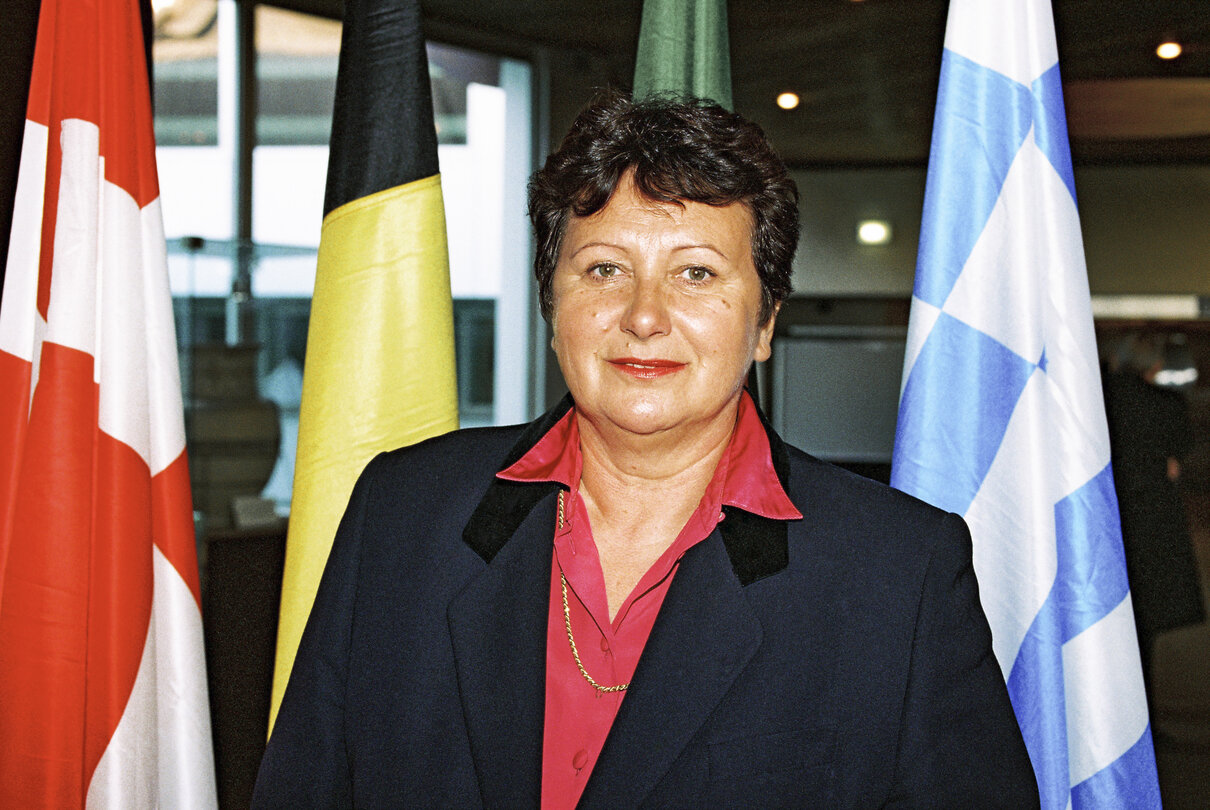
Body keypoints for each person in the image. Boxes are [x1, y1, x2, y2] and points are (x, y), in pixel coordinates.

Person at [253, 91, 1038, 808]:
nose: (644, 316)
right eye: (604, 270)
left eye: (696, 273)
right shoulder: (405, 513)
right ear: (552, 304)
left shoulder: (897, 572)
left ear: (764, 323)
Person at [1103, 333, 1205, 708]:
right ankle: (1141, 715)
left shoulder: (1098, 402)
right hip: (1153, 526)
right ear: (1155, 366)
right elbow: (1177, 460)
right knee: (1146, 624)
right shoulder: (1166, 406)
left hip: (1105, 520)